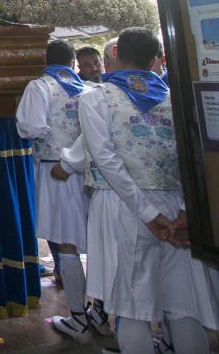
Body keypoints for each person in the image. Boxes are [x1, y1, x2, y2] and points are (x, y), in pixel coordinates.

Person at [65, 27, 219, 353]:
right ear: (155, 60)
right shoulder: (176, 96)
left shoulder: (95, 97)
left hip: (121, 204)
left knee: (131, 307)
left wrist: (148, 214)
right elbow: (196, 156)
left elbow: (106, 159)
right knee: (183, 305)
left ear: (116, 55)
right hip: (176, 207)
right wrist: (186, 210)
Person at [16, 40, 105, 341]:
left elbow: (30, 127)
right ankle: (101, 314)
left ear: (46, 59)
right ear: (72, 62)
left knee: (66, 245)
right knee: (97, 242)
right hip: (92, 171)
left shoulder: (39, 87)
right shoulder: (90, 89)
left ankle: (78, 317)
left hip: (56, 169)